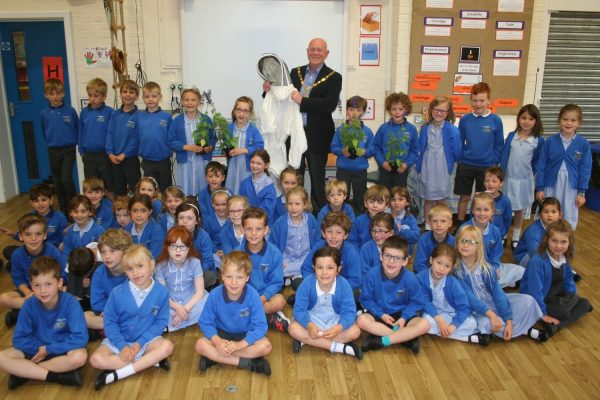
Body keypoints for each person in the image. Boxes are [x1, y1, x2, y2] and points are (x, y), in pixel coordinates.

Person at [264, 37, 342, 211]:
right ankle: (293, 210)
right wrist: (268, 91)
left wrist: (303, 101)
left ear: (326, 53)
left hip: (318, 137)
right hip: (292, 135)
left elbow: (329, 105)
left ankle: (318, 215)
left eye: (319, 50)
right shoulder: (294, 72)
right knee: (293, 178)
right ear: (307, 51)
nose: (315, 53)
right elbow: (280, 96)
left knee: (317, 178)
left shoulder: (335, 77)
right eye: (312, 49)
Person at [90, 245, 173, 390]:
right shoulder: (117, 293)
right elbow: (109, 322)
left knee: (167, 347)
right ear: (125, 271)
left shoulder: (162, 292)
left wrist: (139, 343)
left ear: (152, 264)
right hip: (119, 340)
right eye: (129, 269)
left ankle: (117, 374)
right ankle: (149, 361)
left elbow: (160, 322)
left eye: (140, 266)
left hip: (146, 341)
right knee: (95, 360)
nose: (136, 273)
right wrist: (122, 346)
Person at [0, 257, 88, 390]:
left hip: (61, 348)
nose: (42, 291)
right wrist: (40, 349)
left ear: (59, 283)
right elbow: (18, 339)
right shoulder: (29, 305)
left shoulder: (71, 303)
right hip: (35, 350)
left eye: (48, 284)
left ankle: (25, 373)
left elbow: (80, 337)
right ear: (31, 285)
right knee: (1, 358)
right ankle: (57, 377)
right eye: (37, 285)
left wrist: (49, 349)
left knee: (80, 357)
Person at [454, 225, 546, 343]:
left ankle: (509, 326)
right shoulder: (456, 271)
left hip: (493, 303)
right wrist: (492, 316)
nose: (465, 245)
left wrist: (508, 319)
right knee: (488, 325)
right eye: (462, 241)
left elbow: (498, 294)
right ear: (457, 244)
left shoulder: (486, 269)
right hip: (476, 310)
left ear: (478, 245)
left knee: (528, 301)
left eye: (471, 242)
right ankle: (524, 330)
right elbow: (470, 299)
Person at [195, 251, 272, 375]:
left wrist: (239, 345)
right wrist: (217, 342)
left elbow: (261, 327)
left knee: (266, 346)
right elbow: (205, 322)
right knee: (200, 345)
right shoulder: (215, 295)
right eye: (229, 277)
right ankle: (249, 363)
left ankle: (216, 357)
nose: (234, 282)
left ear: (247, 277)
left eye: (239, 277)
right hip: (221, 335)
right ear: (222, 276)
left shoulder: (253, 295)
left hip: (245, 336)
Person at [519, 220, 592, 337]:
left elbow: (569, 281)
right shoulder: (537, 261)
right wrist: (543, 313)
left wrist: (571, 296)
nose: (558, 246)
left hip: (555, 295)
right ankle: (553, 320)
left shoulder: (565, 257)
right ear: (547, 240)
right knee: (565, 312)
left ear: (569, 242)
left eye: (563, 242)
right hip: (538, 300)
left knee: (585, 304)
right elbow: (534, 291)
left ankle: (556, 326)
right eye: (554, 241)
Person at [358, 236, 430, 353]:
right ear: (381, 256)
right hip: (380, 313)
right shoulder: (372, 274)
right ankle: (404, 338)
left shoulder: (410, 278)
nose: (391, 261)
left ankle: (384, 340)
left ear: (405, 261)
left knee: (425, 324)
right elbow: (366, 299)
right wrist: (381, 314)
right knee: (361, 320)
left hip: (402, 315)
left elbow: (417, 302)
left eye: (397, 258)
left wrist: (404, 317)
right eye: (387, 256)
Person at [289, 246, 362, 359]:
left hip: (335, 321)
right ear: (314, 268)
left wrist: (339, 327)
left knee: (355, 331)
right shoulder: (307, 283)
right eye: (319, 267)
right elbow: (299, 310)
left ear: (338, 269)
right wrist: (308, 324)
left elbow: (349, 312)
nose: (324, 272)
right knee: (292, 328)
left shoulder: (344, 285)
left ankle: (307, 340)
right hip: (312, 320)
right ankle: (340, 347)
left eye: (330, 268)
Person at [0, 215, 64, 327]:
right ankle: (38, 311)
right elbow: (18, 279)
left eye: (38, 234)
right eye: (28, 234)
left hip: (50, 290)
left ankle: (22, 313)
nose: (33, 239)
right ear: (20, 236)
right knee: (3, 298)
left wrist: (46, 291)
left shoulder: (53, 252)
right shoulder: (17, 255)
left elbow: (61, 276)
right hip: (30, 291)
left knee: (68, 293)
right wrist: (29, 293)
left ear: (44, 235)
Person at [454, 82, 504, 227]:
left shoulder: (495, 120)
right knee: (464, 197)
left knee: (484, 200)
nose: (478, 104)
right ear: (470, 100)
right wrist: (461, 158)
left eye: (482, 100)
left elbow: (499, 144)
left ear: (489, 101)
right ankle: (460, 226)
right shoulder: (465, 120)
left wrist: (494, 160)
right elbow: (459, 142)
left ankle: (481, 227)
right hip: (467, 165)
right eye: (475, 100)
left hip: (487, 167)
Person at [535, 104, 592, 229]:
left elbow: (585, 169)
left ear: (579, 123)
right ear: (559, 120)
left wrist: (581, 192)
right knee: (548, 213)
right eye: (565, 119)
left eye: (573, 120)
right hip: (551, 185)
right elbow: (541, 166)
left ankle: (565, 244)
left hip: (572, 187)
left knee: (568, 215)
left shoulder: (583, 144)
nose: (568, 123)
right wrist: (539, 188)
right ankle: (544, 242)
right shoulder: (550, 142)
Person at [417, 244, 484, 344]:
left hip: (453, 314)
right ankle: (467, 338)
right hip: (434, 313)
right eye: (439, 263)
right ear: (431, 260)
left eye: (447, 266)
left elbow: (465, 308)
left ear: (451, 268)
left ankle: (448, 333)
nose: (441, 269)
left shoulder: (453, 283)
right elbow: (424, 301)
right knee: (423, 320)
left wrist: (453, 326)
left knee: (472, 324)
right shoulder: (421, 277)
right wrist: (438, 319)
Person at [500, 104, 544, 250]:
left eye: (531, 119)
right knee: (506, 208)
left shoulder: (538, 141)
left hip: (524, 181)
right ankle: (504, 234)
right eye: (523, 117)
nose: (526, 121)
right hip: (508, 179)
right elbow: (505, 156)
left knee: (519, 209)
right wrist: (501, 176)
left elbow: (538, 161)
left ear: (536, 121)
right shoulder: (512, 136)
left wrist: (534, 178)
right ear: (518, 119)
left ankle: (516, 236)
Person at [238, 208, 290, 332]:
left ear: (266, 230)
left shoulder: (274, 253)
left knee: (280, 301)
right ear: (242, 230)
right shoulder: (237, 253)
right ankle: (267, 317)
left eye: (258, 229)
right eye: (249, 229)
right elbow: (234, 283)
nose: (254, 233)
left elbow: (276, 282)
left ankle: (249, 316)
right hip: (245, 297)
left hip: (266, 297)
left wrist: (262, 298)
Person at [416, 96, 461, 226]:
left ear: (448, 113)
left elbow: (457, 151)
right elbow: (421, 147)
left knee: (441, 199)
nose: (439, 113)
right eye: (436, 109)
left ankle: (443, 224)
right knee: (428, 199)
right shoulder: (425, 129)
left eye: (443, 111)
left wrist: (450, 162)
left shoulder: (452, 130)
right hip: (428, 167)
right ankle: (428, 226)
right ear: (431, 110)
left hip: (442, 167)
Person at [463, 192, 524, 288]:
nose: (482, 213)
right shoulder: (464, 230)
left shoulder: (495, 231)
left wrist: (494, 269)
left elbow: (496, 255)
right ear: (473, 211)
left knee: (521, 271)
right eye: (478, 209)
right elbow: (460, 257)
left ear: (492, 212)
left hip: (488, 267)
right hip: (469, 270)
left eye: (486, 210)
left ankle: (493, 284)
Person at [1, 184, 67, 269]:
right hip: (33, 249)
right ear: (31, 203)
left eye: (43, 200)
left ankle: (29, 264)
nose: (40, 203)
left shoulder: (60, 217)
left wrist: (59, 247)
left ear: (51, 200)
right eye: (36, 201)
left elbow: (64, 238)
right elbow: (27, 237)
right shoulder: (29, 216)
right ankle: (30, 263)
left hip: (51, 252)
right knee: (8, 251)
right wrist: (13, 234)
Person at [156, 226, 208, 331]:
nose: (178, 250)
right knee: (155, 308)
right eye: (174, 246)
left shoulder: (195, 262)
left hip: (191, 301)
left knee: (208, 302)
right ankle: (182, 321)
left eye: (183, 246)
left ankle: (172, 324)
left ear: (189, 248)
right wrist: (177, 307)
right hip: (171, 302)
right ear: (167, 247)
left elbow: (199, 292)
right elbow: (162, 294)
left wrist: (185, 309)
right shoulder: (160, 266)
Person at [330, 95, 375, 214]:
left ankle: (360, 218)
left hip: (360, 171)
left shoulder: (367, 131)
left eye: (358, 110)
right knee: (341, 197)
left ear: (363, 112)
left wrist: (366, 152)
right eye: (351, 109)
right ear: (347, 111)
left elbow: (373, 148)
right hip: (343, 169)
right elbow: (333, 147)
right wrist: (342, 151)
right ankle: (341, 219)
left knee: (360, 197)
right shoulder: (340, 130)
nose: (355, 113)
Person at [40, 78, 79, 214]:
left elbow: (77, 128)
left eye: (58, 93)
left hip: (68, 149)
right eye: (51, 94)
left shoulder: (70, 111)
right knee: (57, 182)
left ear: (63, 94)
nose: (55, 97)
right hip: (53, 150)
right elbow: (45, 132)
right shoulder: (44, 113)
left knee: (66, 179)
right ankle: (63, 211)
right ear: (46, 95)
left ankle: (75, 206)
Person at [168, 87, 215, 196]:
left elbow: (213, 137)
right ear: (182, 102)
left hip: (202, 161)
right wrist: (187, 147)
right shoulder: (177, 121)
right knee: (185, 187)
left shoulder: (206, 119)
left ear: (199, 102)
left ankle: (202, 208)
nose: (190, 103)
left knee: (202, 186)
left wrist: (210, 147)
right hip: (185, 161)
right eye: (186, 100)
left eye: (193, 100)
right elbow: (171, 141)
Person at [269, 187, 320, 284]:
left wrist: (315, 257)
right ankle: (293, 277)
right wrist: (279, 259)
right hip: (287, 260)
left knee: (314, 270)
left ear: (304, 205)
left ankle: (295, 278)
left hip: (306, 259)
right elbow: (272, 244)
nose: (293, 207)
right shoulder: (280, 222)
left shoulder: (311, 219)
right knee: (275, 270)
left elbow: (318, 240)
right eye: (290, 204)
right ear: (286, 204)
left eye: (297, 204)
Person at [86, 228, 132, 333]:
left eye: (112, 251)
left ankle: (114, 327)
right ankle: (119, 327)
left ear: (125, 251)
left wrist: (115, 310)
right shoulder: (99, 273)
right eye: (103, 252)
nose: (107, 256)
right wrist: (109, 310)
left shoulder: (133, 271)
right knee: (85, 317)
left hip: (128, 312)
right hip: (106, 313)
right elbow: (96, 304)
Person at [372, 92, 419, 190]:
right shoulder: (383, 128)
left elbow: (415, 150)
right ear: (389, 110)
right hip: (385, 168)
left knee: (399, 195)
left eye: (401, 109)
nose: (397, 112)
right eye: (393, 109)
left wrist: (406, 164)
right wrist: (382, 162)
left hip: (402, 169)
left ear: (406, 110)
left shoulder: (411, 129)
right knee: (384, 196)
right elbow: (376, 147)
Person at [78, 77, 114, 195]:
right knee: (91, 187)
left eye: (96, 96)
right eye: (90, 95)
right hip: (88, 155)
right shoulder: (84, 113)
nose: (92, 98)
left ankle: (109, 211)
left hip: (104, 155)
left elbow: (112, 134)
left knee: (108, 186)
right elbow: (80, 133)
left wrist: (110, 152)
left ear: (104, 97)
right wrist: (82, 152)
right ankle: (92, 211)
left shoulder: (109, 112)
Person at [106, 79, 141, 196]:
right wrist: (110, 153)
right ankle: (121, 214)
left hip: (130, 159)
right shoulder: (115, 114)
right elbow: (109, 133)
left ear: (137, 96)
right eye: (125, 91)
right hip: (114, 158)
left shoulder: (139, 116)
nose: (128, 95)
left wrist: (124, 154)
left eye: (131, 92)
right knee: (119, 190)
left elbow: (136, 139)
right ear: (120, 94)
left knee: (136, 189)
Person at [138, 81, 173, 191]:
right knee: (149, 190)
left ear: (160, 97)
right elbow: (136, 137)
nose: (151, 99)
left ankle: (165, 208)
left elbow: (171, 138)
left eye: (154, 96)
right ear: (143, 98)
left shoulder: (166, 117)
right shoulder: (139, 117)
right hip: (147, 161)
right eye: (147, 96)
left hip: (163, 161)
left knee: (165, 190)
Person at [225, 96, 264, 195]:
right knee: (231, 192)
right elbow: (224, 144)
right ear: (234, 111)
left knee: (245, 193)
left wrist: (244, 150)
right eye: (239, 110)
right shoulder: (228, 129)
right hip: (232, 168)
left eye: (245, 111)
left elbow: (260, 146)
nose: (241, 113)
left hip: (247, 169)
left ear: (250, 114)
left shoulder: (253, 130)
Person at [175, 202, 217, 287]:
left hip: (200, 271)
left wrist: (192, 273)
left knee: (210, 276)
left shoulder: (203, 236)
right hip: (179, 272)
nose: (185, 221)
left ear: (197, 221)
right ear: (177, 220)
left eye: (189, 218)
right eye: (181, 218)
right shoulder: (173, 235)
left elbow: (208, 262)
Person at [514, 197, 562, 267]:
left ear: (560, 215)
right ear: (539, 214)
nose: (550, 215)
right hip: (526, 256)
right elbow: (534, 252)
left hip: (548, 255)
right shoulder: (533, 231)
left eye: (553, 212)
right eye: (546, 212)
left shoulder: (561, 228)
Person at [61, 195, 105, 266]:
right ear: (70, 213)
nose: (79, 215)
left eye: (83, 211)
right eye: (76, 211)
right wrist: (66, 272)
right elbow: (66, 254)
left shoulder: (99, 230)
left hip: (95, 268)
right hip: (75, 269)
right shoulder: (70, 233)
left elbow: (104, 253)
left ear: (90, 212)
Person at [413, 204, 455, 274]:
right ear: (429, 223)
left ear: (450, 223)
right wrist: (431, 278)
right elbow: (419, 265)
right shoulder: (424, 240)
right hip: (425, 275)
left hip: (446, 276)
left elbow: (455, 266)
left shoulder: (454, 241)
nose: (439, 225)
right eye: (435, 221)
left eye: (443, 221)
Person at [347, 184, 390, 249]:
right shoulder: (358, 221)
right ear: (365, 203)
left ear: (386, 205)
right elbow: (352, 242)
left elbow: (395, 243)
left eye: (380, 202)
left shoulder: (390, 221)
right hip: (361, 257)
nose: (375, 205)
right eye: (371, 202)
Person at [239, 149, 276, 223]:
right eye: (252, 162)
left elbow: (267, 210)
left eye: (259, 163)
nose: (254, 166)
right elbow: (241, 204)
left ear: (266, 165)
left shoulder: (269, 186)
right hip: (247, 223)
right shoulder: (244, 183)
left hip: (263, 224)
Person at [125, 194, 166, 259]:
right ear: (130, 211)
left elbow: (154, 257)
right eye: (135, 211)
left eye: (143, 211)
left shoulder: (157, 230)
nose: (138, 215)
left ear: (150, 211)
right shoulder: (127, 229)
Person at [360, 212, 395, 277]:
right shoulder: (366, 249)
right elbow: (364, 273)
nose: (376, 235)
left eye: (381, 231)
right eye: (373, 231)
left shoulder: (396, 249)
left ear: (391, 233)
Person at [483, 167, 513, 242]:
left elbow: (507, 220)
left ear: (501, 183)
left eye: (494, 181)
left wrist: (503, 234)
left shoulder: (506, 201)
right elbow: (473, 215)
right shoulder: (478, 199)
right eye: (487, 181)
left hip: (498, 236)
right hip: (481, 234)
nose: (490, 184)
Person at [66, 247, 98, 312]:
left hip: (91, 297)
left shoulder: (100, 263)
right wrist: (81, 280)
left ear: (95, 261)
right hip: (80, 295)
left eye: (87, 273)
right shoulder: (75, 259)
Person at [390, 186, 419, 254]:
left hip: (404, 253)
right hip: (387, 250)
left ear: (407, 202)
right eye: (393, 200)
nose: (396, 202)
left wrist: (401, 230)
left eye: (400, 199)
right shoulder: (385, 215)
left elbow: (415, 237)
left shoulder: (410, 219)